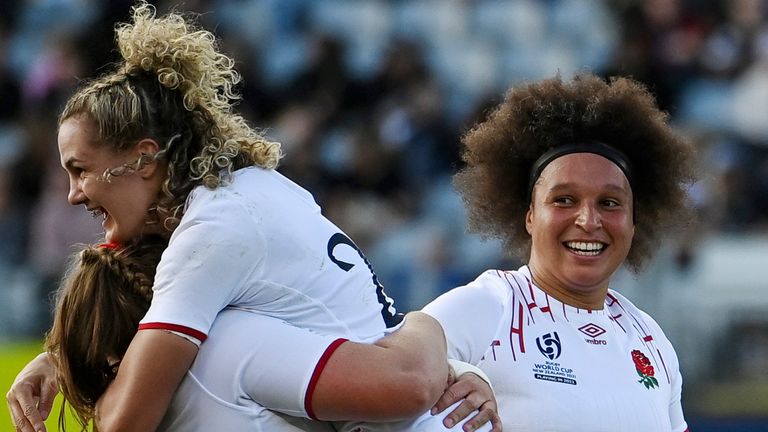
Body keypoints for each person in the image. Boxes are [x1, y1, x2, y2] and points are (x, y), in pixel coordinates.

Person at [6, 3, 499, 431]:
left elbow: (123, 422)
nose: (72, 195)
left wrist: (425, 327)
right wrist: (56, 357)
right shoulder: (254, 190)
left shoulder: (213, 233)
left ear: (144, 158)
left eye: (81, 170)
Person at [421, 73, 694, 431]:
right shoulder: (483, 311)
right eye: (564, 200)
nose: (588, 220)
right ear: (530, 216)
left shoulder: (651, 340)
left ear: (633, 224)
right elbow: (373, 396)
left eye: (609, 203)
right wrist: (459, 371)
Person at [46, 237, 492, 432]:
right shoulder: (228, 342)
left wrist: (53, 359)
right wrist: (425, 327)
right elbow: (406, 382)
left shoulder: (119, 402)